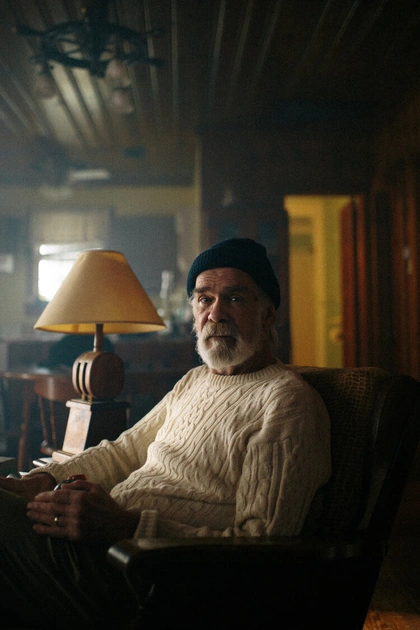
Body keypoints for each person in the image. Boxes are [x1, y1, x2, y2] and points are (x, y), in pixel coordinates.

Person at [0, 238, 331, 629]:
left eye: (235, 298)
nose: (216, 313)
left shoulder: (286, 402)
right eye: (204, 299)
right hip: (98, 548)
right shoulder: (195, 381)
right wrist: (44, 478)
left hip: (154, 582)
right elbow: (124, 452)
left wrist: (126, 526)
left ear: (268, 313)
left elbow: (262, 545)